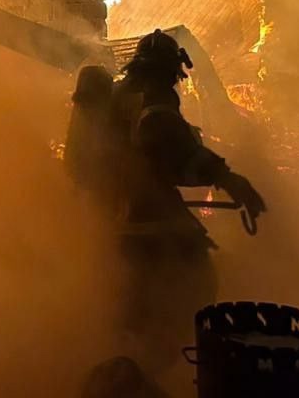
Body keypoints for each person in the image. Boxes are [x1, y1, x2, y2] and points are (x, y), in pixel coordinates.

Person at [110, 29, 266, 372]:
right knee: (195, 286)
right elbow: (179, 155)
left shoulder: (120, 99)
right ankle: (168, 370)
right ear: (169, 70)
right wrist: (230, 180)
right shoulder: (156, 108)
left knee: (136, 316)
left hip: (122, 221)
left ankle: (134, 370)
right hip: (153, 226)